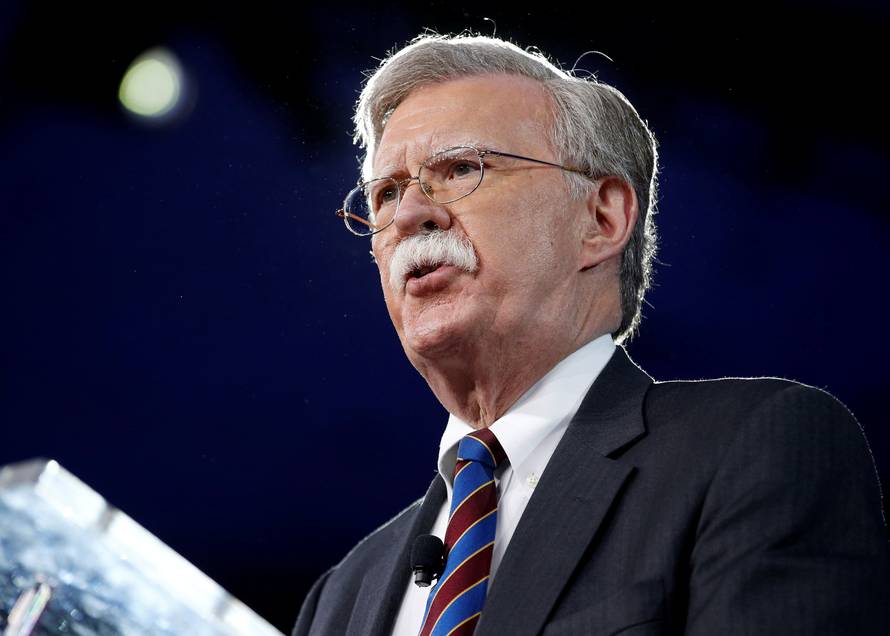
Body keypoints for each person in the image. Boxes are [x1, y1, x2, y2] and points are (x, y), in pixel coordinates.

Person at [293, 33, 890, 636]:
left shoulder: (750, 451)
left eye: (462, 169)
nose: (411, 214)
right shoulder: (341, 595)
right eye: (386, 193)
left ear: (601, 219)